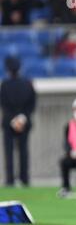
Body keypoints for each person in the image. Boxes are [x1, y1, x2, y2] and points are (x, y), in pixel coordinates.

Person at [0, 56, 36, 187]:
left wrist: (13, 120)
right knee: (23, 151)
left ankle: (10, 180)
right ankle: (24, 178)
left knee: (9, 152)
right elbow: (32, 105)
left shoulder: (4, 84)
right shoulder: (28, 83)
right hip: (24, 123)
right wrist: (22, 118)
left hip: (9, 123)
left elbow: (4, 105)